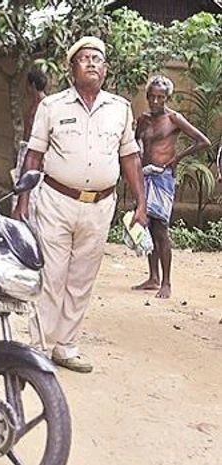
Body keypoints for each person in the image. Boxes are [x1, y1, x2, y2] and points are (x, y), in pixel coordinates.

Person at [13, 36, 147, 373]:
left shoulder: (120, 108)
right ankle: (38, 348)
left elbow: (130, 157)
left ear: (105, 69)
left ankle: (66, 347)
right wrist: (23, 200)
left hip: (100, 206)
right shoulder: (52, 106)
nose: (91, 63)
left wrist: (141, 203)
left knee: (82, 279)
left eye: (97, 59)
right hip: (56, 201)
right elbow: (34, 155)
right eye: (84, 58)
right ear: (71, 68)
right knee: (52, 275)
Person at [132, 75, 210, 299]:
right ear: (147, 96)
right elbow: (136, 143)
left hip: (163, 178)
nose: (156, 101)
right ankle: (153, 277)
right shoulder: (143, 119)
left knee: (161, 229)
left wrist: (177, 158)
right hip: (145, 176)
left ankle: (166, 282)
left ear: (167, 98)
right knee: (147, 226)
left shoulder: (174, 118)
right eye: (152, 97)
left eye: (161, 97)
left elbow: (203, 141)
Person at [12, 69, 48, 223]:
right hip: (27, 152)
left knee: (31, 193)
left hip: (34, 155)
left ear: (32, 85)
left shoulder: (44, 106)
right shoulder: (36, 104)